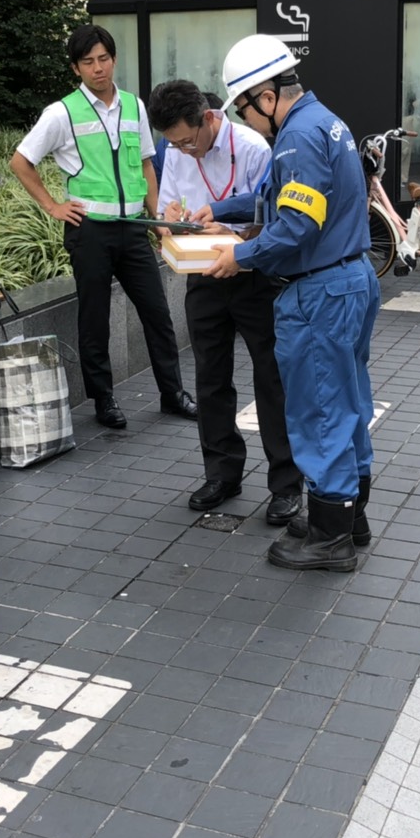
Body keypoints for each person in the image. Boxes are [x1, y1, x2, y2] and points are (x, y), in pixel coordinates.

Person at [198, 35, 380, 572]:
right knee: (347, 403)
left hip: (319, 291)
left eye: (246, 111)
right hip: (350, 280)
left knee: (320, 409)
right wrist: (221, 208)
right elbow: (280, 196)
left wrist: (242, 256)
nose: (250, 123)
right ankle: (348, 515)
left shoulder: (297, 136)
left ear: (264, 93)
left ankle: (329, 540)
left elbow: (297, 224)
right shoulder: (325, 122)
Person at [9, 24, 196, 429]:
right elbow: (20, 161)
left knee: (157, 312)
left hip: (133, 227)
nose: (98, 69)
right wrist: (52, 206)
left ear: (114, 59)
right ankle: (104, 400)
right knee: (95, 319)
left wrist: (159, 220)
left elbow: (147, 164)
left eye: (104, 59)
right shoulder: (61, 113)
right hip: (89, 228)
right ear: (76, 68)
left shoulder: (135, 106)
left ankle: (173, 392)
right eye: (88, 62)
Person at [148, 78, 302, 526]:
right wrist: (169, 220)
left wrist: (237, 238)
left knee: (271, 380)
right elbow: (169, 211)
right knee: (211, 378)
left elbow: (275, 216)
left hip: (255, 275)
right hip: (203, 276)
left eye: (189, 140)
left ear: (210, 118)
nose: (185, 151)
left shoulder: (253, 147)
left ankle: (286, 485)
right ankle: (221, 472)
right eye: (174, 144)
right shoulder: (176, 150)